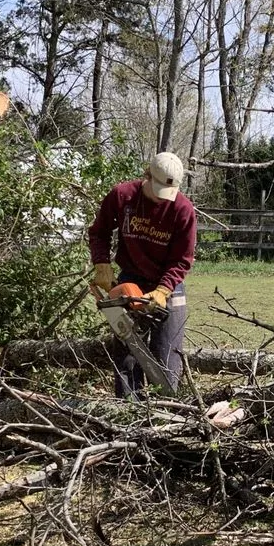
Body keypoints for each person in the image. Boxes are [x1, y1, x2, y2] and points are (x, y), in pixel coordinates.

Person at [88, 151, 196, 397]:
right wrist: (102, 264)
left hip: (168, 283)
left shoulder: (183, 210)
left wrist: (163, 290)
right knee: (127, 351)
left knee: (167, 357)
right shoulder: (123, 195)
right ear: (147, 175)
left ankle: (166, 409)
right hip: (131, 279)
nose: (161, 198)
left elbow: (182, 259)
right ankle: (129, 409)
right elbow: (99, 232)